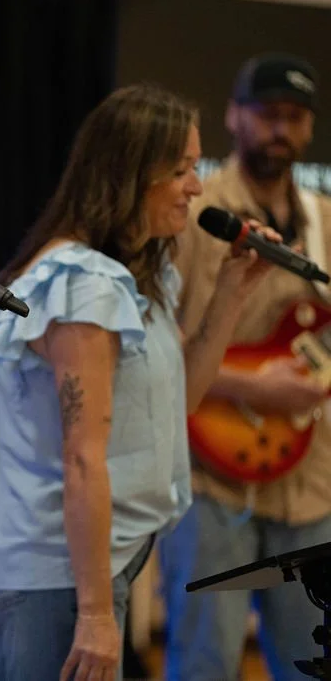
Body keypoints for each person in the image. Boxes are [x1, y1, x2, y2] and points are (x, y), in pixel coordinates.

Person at [0, 83, 278, 681]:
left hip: (93, 568)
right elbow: (83, 457)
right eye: (181, 169)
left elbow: (179, 403)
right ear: (129, 174)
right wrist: (93, 615)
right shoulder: (82, 285)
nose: (196, 186)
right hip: (60, 578)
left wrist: (232, 292)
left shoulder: (130, 274)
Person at [159, 53, 331, 680]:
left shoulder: (325, 217)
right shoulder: (194, 210)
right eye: (267, 114)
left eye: (294, 117)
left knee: (312, 661)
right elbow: (155, 339)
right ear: (235, 116)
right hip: (209, 474)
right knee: (204, 662)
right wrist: (254, 385)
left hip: (312, 481)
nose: (280, 129)